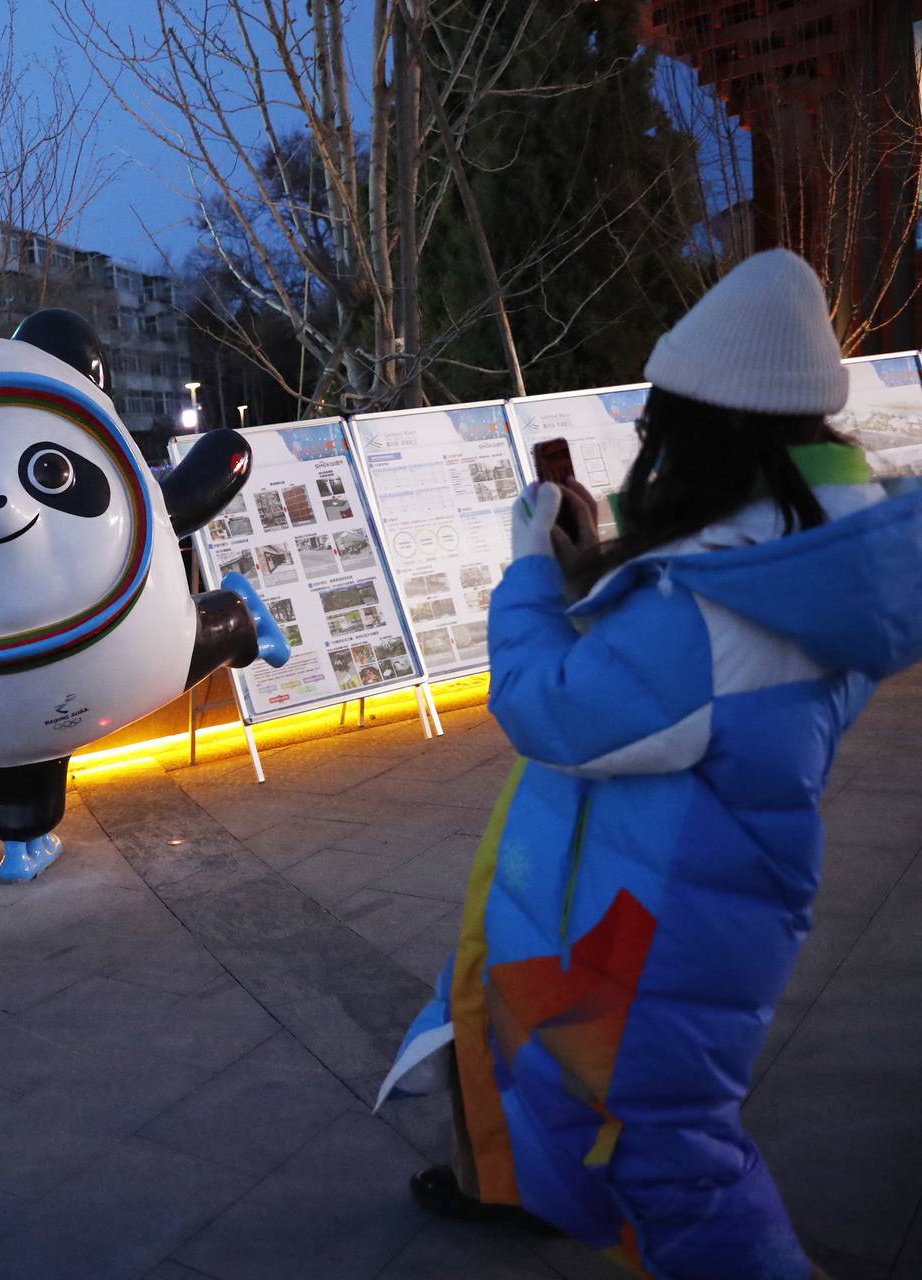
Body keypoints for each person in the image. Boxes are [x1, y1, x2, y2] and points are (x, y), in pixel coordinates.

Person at [377, 250, 922, 1277]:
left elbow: (554, 706)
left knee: (676, 1159)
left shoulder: (709, 607)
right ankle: (515, 1182)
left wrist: (533, 571)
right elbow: (693, 642)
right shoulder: (815, 550)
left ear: (706, 432)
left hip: (656, 931)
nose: (648, 444)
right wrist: (612, 569)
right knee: (626, 1120)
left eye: (657, 422)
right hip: (694, 897)